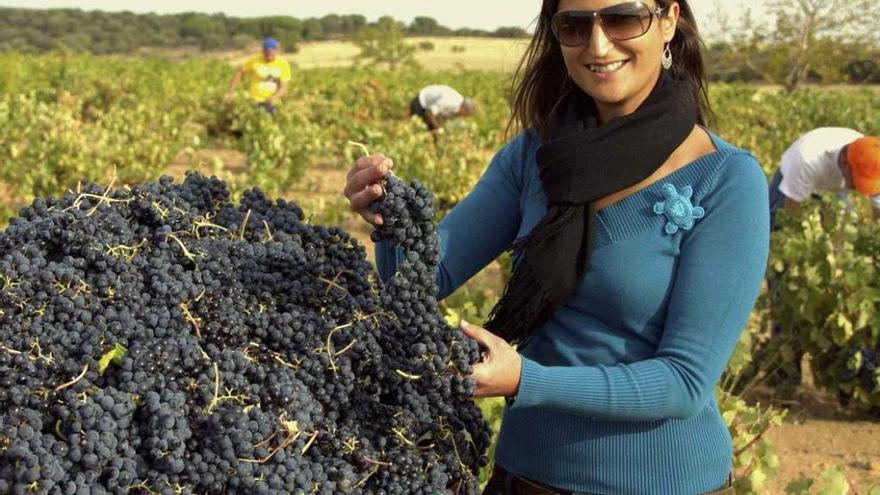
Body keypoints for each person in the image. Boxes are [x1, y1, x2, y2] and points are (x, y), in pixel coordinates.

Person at [345, 0, 768, 493]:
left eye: (622, 18)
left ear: (668, 19)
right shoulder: (533, 155)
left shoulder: (725, 180)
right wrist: (388, 215)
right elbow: (420, 281)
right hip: (524, 475)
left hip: (661, 482)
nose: (598, 44)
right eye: (574, 25)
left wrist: (527, 380)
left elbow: (684, 382)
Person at [768, 128, 880, 227]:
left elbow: (878, 204)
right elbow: (791, 206)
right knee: (772, 218)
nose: (857, 188)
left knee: (843, 226)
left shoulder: (872, 157)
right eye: (857, 181)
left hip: (834, 180)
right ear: (845, 164)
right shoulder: (807, 159)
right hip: (795, 174)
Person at [225, 37, 292, 114]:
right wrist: (231, 91)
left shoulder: (283, 64)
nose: (269, 56)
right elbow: (240, 71)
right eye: (266, 53)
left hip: (273, 103)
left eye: (271, 53)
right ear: (263, 51)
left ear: (276, 51)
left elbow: (284, 87)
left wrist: (275, 97)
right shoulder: (254, 61)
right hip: (255, 101)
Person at [408, 84, 476, 133]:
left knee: (432, 129)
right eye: (466, 115)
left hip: (434, 106)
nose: (465, 117)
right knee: (417, 126)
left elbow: (443, 116)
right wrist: (437, 127)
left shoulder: (458, 107)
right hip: (423, 100)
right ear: (464, 109)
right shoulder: (450, 102)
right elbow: (429, 113)